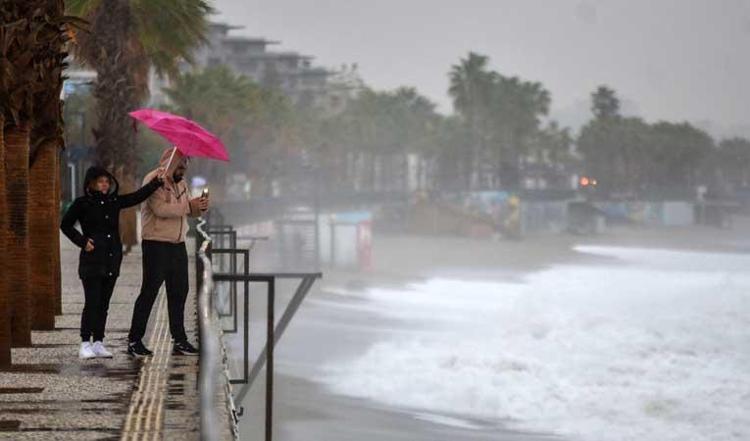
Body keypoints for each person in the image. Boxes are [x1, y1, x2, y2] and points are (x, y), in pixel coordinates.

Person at [61, 166, 164, 359]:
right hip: (92, 260)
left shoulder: (113, 201)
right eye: (100, 181)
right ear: (91, 183)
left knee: (104, 304)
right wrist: (82, 241)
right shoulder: (82, 204)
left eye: (107, 182)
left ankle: (99, 341)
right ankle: (85, 343)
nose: (105, 185)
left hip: (111, 260)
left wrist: (155, 183)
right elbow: (65, 224)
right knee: (92, 302)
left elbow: (136, 197)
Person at [127, 148, 209, 357]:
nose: (183, 169)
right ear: (170, 163)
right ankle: (135, 340)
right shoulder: (154, 180)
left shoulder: (181, 183)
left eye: (185, 166)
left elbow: (186, 210)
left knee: (179, 291)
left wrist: (199, 207)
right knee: (150, 291)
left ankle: (179, 339)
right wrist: (187, 206)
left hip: (178, 243)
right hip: (156, 243)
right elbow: (161, 210)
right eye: (180, 165)